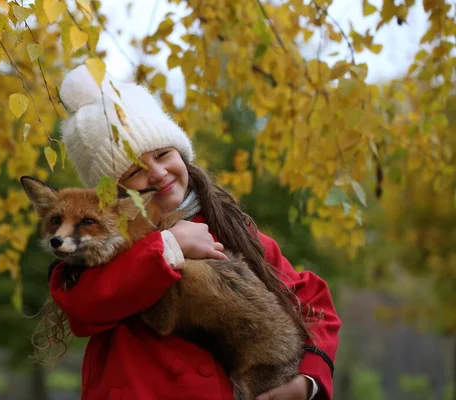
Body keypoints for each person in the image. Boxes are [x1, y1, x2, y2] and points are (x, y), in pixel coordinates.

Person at [38, 65, 341, 400]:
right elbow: (85, 306)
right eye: (135, 170)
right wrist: (167, 246)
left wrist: (307, 382)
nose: (157, 173)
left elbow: (311, 300)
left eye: (163, 154)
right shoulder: (97, 251)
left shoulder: (232, 230)